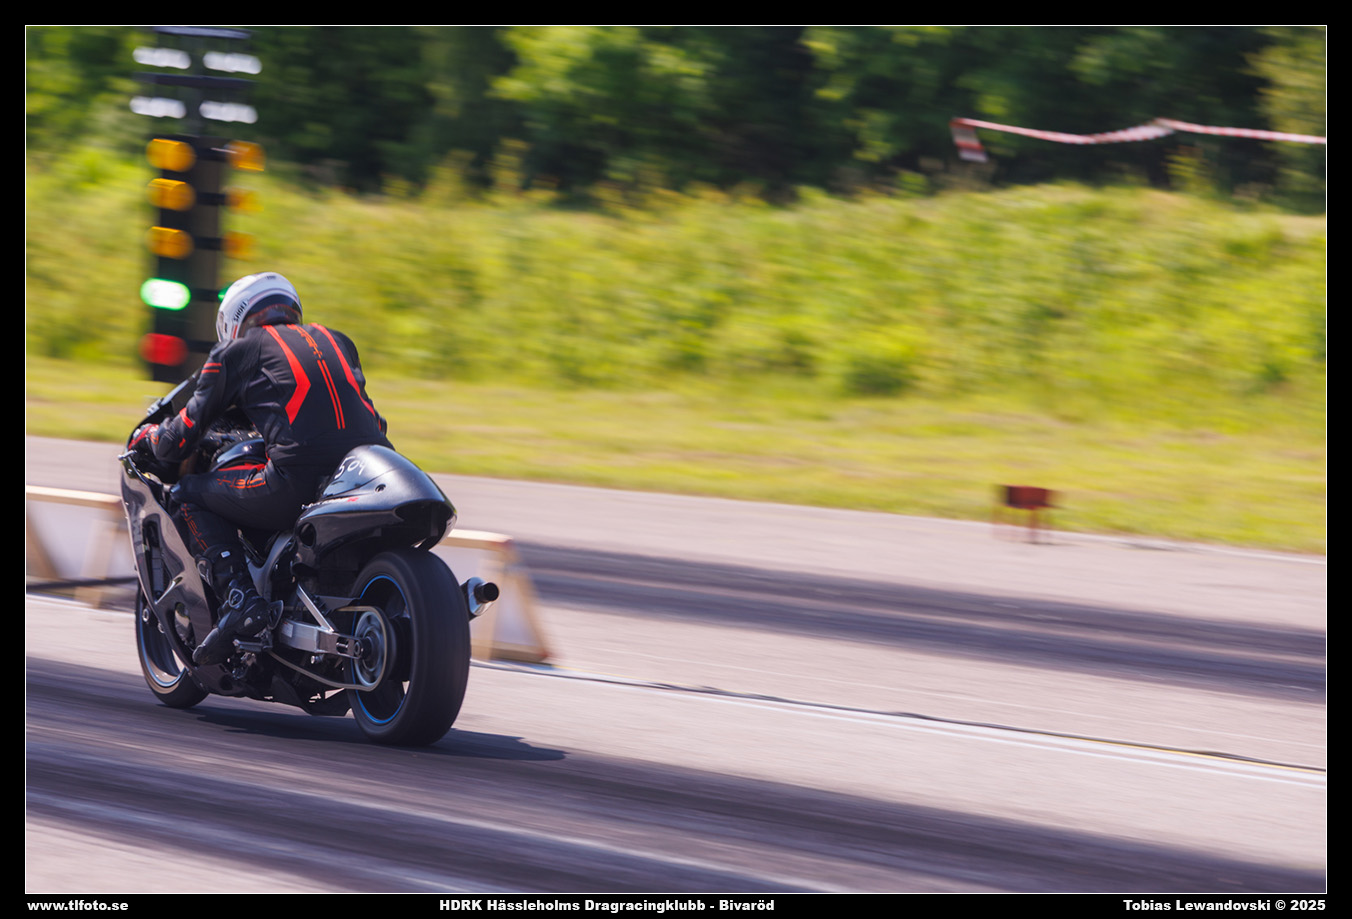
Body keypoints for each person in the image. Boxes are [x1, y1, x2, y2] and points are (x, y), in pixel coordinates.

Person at [128, 272, 392, 665]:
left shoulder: (236, 351)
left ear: (232, 322)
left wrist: (150, 437)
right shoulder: (338, 340)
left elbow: (182, 436)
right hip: (368, 473)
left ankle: (240, 599)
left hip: (295, 482)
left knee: (187, 494)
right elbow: (372, 419)